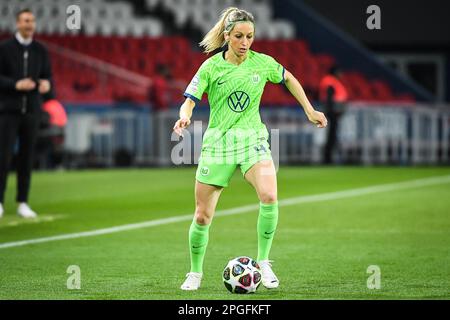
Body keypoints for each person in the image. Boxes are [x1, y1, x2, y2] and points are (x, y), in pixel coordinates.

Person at [173, 7, 328, 291]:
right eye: (239, 36)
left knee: (269, 196)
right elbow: (190, 99)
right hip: (218, 144)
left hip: (252, 140)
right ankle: (194, 273)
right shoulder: (211, 67)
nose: (245, 42)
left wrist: (309, 109)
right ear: (227, 36)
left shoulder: (262, 63)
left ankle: (264, 262)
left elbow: (289, 77)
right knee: (202, 216)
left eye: (250, 36)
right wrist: (185, 115)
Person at [0, 9, 52, 219]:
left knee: (27, 158)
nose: (29, 24)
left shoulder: (41, 50)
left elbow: (47, 77)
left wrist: (46, 85)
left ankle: (23, 202)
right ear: (17, 23)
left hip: (31, 111)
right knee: (3, 158)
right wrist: (15, 85)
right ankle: (0, 202)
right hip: (8, 111)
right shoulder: (4, 49)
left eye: (32, 20)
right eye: (25, 20)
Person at [319, 65, 348, 164]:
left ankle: (329, 158)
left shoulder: (332, 82)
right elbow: (329, 98)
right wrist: (331, 111)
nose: (341, 74)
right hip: (333, 113)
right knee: (331, 136)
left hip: (334, 113)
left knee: (332, 135)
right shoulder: (330, 82)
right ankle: (328, 159)